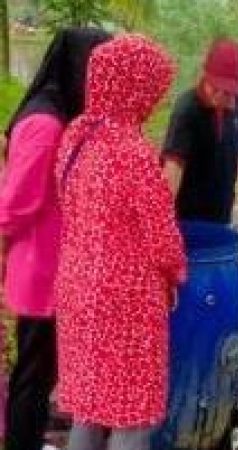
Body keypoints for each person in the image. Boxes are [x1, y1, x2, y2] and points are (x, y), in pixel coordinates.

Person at [53, 34, 187, 450]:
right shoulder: (134, 152)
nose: (156, 101)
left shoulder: (76, 135)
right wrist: (176, 274)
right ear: (135, 87)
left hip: (76, 286)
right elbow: (163, 237)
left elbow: (69, 203)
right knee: (133, 414)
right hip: (125, 299)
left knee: (89, 406)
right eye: (153, 90)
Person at [0, 27, 111, 450]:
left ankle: (30, 432)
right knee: (32, 369)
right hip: (40, 267)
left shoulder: (62, 113)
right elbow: (16, 203)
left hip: (53, 264)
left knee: (42, 367)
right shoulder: (45, 123)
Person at [162, 38, 238, 233]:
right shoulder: (187, 109)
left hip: (221, 207)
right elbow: (173, 166)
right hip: (185, 214)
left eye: (233, 92)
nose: (230, 99)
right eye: (225, 92)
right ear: (209, 79)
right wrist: (163, 215)